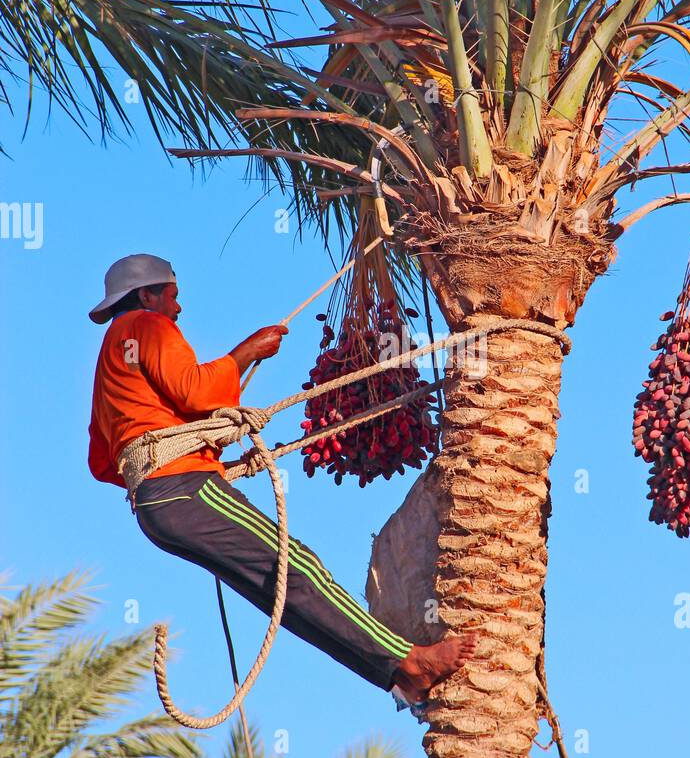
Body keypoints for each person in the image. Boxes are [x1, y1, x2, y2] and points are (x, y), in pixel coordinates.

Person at [87, 254, 475, 710]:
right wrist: (246, 352)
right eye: (172, 296)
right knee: (301, 570)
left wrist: (198, 454)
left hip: (154, 508)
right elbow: (194, 390)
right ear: (146, 295)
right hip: (185, 490)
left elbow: (102, 460)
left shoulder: (110, 361)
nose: (177, 309)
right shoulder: (144, 325)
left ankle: (396, 675)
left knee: (282, 594)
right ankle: (411, 661)